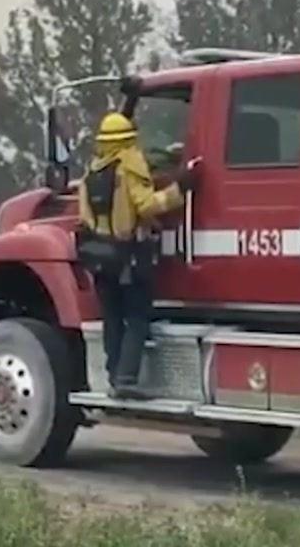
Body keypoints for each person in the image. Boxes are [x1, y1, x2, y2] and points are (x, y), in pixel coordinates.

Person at [77, 112, 196, 400]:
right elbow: (145, 205)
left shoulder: (92, 172)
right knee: (137, 317)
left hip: (100, 256)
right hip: (129, 255)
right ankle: (127, 379)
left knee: (112, 318)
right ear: (128, 139)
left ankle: (113, 375)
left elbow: (84, 217)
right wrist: (179, 189)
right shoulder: (129, 166)